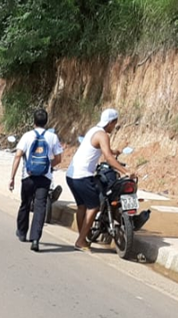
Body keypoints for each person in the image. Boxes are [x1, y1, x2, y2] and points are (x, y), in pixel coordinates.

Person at [67, 108, 135, 251]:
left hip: (71, 175)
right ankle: (80, 241)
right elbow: (108, 158)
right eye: (114, 124)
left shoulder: (93, 131)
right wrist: (125, 171)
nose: (114, 127)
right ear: (111, 122)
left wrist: (114, 151)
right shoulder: (103, 135)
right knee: (94, 206)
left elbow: (104, 151)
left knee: (82, 206)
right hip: (82, 175)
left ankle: (83, 237)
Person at [9, 109, 63, 252]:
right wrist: (47, 167)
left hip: (28, 176)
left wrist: (12, 177)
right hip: (44, 179)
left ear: (33, 121)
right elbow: (59, 159)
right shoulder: (52, 137)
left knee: (25, 204)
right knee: (40, 207)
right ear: (46, 122)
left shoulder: (27, 136)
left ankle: (21, 232)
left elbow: (18, 155)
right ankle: (35, 239)